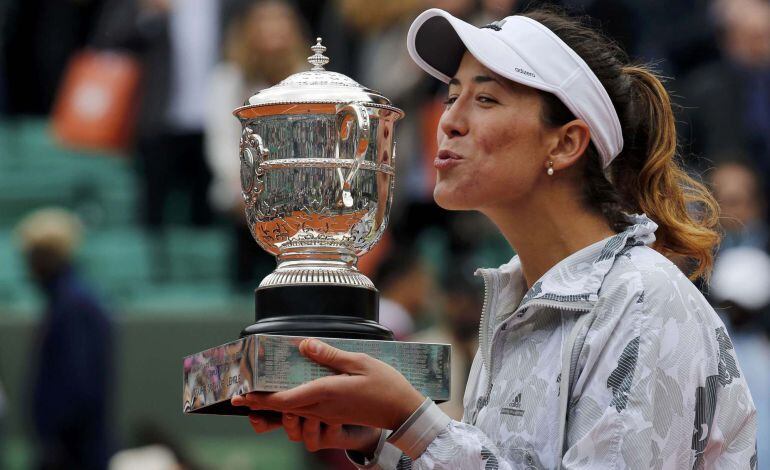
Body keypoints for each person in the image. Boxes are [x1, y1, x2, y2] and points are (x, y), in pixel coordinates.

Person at [231, 7, 757, 469]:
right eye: (451, 95)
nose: (448, 122)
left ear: (566, 142)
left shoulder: (641, 299)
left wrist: (414, 422)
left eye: (485, 99)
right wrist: (382, 439)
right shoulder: (516, 301)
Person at [16, 208, 113, 469]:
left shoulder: (74, 307)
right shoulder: (69, 302)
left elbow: (77, 386)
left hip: (74, 453)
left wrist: (56, 443)